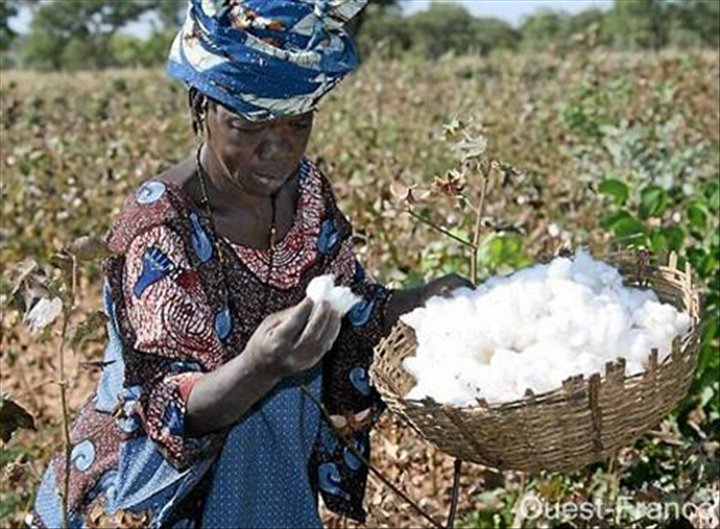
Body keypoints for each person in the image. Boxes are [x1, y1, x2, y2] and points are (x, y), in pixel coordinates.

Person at [29, 1, 472, 527]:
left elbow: (349, 304)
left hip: (268, 481)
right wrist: (257, 366)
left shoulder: (306, 191)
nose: (277, 149)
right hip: (155, 496)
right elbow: (172, 405)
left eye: (298, 124)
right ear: (202, 106)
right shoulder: (158, 226)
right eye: (249, 125)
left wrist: (415, 304)